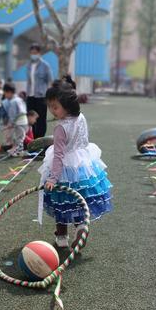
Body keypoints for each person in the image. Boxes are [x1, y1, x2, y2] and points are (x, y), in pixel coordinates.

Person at [40, 79, 112, 250]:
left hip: (64, 169)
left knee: (61, 203)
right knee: (78, 202)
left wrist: (53, 177)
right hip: (83, 165)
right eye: (50, 106)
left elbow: (58, 156)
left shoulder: (60, 128)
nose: (52, 110)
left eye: (55, 106)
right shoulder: (80, 117)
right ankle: (81, 227)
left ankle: (62, 237)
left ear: (67, 105)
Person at [26, 44, 53, 138]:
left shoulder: (45, 65)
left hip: (41, 96)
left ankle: (40, 138)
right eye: (32, 53)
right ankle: (31, 137)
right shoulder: (29, 65)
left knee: (41, 118)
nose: (33, 54)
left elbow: (50, 80)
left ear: (39, 53)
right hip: (30, 95)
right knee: (30, 118)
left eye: (35, 53)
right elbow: (29, 81)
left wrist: (48, 94)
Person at [2, 83, 28, 156]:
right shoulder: (18, 99)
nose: (5, 96)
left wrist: (11, 123)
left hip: (20, 123)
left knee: (19, 138)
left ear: (9, 92)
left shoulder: (13, 101)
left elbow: (13, 115)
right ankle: (16, 149)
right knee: (19, 137)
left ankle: (18, 151)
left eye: (5, 94)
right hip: (22, 122)